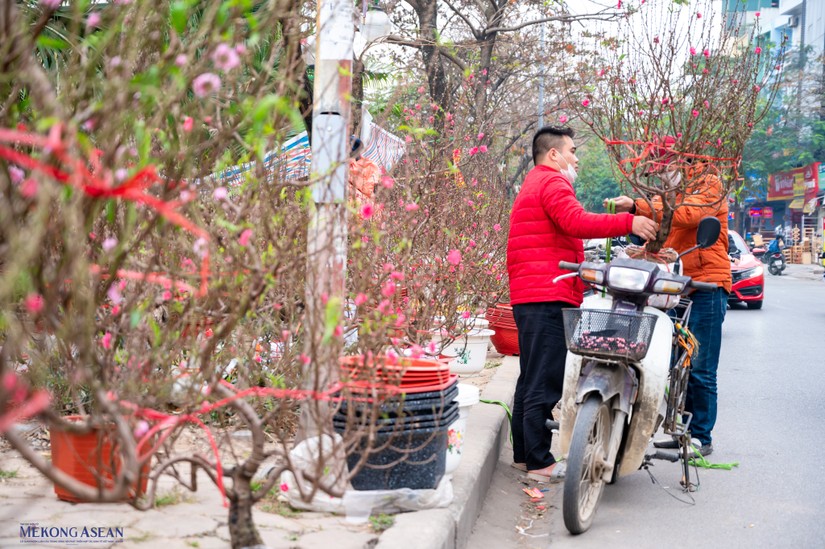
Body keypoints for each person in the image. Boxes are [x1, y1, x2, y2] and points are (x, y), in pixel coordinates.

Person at [506, 126, 659, 482]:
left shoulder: (534, 182)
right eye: (572, 151)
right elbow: (576, 221)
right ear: (554, 154)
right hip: (547, 292)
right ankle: (541, 461)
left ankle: (524, 456)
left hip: (532, 293)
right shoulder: (552, 182)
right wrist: (629, 220)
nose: (576, 158)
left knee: (530, 379)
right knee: (543, 381)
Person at [608, 139, 731, 456]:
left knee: (701, 367)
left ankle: (701, 437)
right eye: (655, 169)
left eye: (663, 166)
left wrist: (638, 205)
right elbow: (663, 234)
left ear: (681, 161)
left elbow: (688, 216)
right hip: (674, 284)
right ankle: (679, 431)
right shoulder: (665, 194)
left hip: (707, 284)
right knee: (674, 365)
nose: (658, 174)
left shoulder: (710, 183)